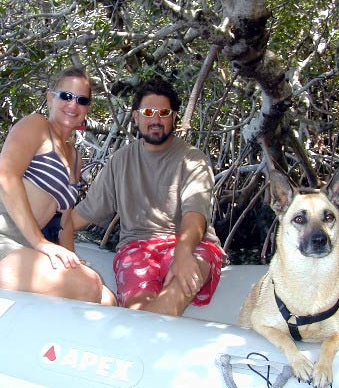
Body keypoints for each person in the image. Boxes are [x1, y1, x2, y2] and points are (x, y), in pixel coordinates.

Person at [0, 66, 116, 305]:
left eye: (82, 100)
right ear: (50, 98)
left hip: (21, 248)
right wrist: (39, 242)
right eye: (66, 96)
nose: (73, 105)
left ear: (87, 108)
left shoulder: (76, 158)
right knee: (87, 284)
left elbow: (64, 222)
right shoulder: (36, 125)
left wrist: (72, 258)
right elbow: (7, 177)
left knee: (107, 298)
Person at [72, 78, 226, 316]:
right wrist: (41, 235)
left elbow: (195, 215)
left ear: (174, 117)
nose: (155, 120)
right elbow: (86, 211)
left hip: (190, 245)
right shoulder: (120, 160)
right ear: (136, 117)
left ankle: (144, 332)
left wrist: (184, 254)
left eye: (163, 112)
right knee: (139, 309)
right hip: (137, 248)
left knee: (179, 286)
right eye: (148, 112)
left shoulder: (193, 159)